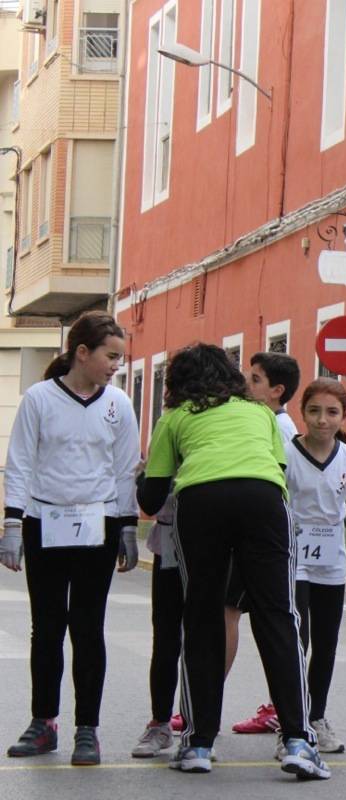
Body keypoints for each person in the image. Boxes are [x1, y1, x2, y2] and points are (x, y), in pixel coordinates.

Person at [138, 343, 328, 779]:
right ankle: (298, 740)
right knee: (278, 616)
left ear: (179, 383)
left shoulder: (175, 418)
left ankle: (198, 744)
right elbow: (275, 468)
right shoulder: (259, 412)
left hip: (201, 501)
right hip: (263, 500)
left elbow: (150, 500)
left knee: (201, 617)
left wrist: (143, 476)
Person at [2, 312, 141, 766]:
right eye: (110, 356)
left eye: (120, 357)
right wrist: (12, 525)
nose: (116, 365)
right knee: (47, 628)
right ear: (83, 353)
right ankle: (44, 722)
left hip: (95, 526)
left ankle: (88, 729)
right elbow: (20, 462)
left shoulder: (118, 404)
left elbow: (124, 468)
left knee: (87, 628)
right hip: (46, 522)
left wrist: (126, 526)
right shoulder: (40, 399)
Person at [283, 378, 346, 755]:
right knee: (296, 643)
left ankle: (316, 717)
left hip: (330, 564)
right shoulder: (286, 454)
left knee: (326, 645)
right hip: (291, 563)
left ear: (344, 416)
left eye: (331, 412)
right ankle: (291, 725)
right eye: (314, 411)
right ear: (302, 413)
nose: (322, 421)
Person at [227, 351, 302, 736]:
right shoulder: (260, 419)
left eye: (255, 379)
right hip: (257, 534)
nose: (245, 383)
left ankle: (280, 708)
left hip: (267, 538)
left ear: (277, 390)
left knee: (261, 621)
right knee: (233, 615)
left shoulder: (281, 429)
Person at [130, 492, 185, 758]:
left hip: (210, 541)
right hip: (169, 542)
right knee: (165, 637)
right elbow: (149, 499)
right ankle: (160, 722)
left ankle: (200, 727)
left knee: (205, 639)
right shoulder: (163, 448)